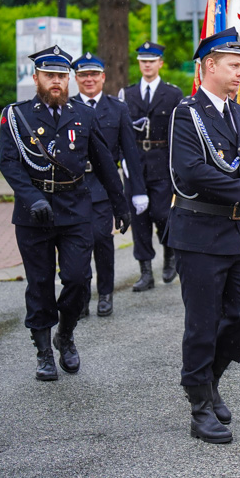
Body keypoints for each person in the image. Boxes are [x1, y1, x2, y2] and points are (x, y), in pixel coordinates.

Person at [0, 46, 131, 380]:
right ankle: (43, 351)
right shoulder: (17, 116)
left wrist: (120, 205)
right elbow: (9, 163)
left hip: (75, 208)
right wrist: (32, 197)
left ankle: (66, 335)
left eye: (61, 76)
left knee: (77, 279)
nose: (56, 82)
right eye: (49, 76)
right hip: (34, 215)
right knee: (40, 283)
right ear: (36, 78)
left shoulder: (83, 115)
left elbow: (104, 163)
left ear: (67, 79)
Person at [165, 28, 240, 444]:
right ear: (209, 66)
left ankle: (210, 378)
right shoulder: (186, 113)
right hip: (201, 232)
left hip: (239, 232)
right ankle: (199, 406)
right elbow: (191, 170)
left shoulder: (238, 113)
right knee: (202, 322)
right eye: (233, 65)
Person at [69, 52, 147, 318]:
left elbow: (130, 153)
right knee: (78, 245)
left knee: (102, 240)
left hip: (103, 187)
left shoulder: (117, 108)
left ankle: (105, 293)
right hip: (74, 188)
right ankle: (80, 296)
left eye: (93, 74)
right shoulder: (67, 108)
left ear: (103, 77)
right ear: (76, 79)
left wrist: (137, 191)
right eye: (83, 75)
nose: (88, 79)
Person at [122, 41, 183, 292]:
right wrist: (123, 159)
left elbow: (179, 132)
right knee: (139, 219)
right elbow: (122, 130)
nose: (147, 64)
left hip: (162, 160)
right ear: (139, 63)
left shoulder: (173, 94)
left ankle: (169, 254)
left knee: (163, 214)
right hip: (136, 161)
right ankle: (145, 271)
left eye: (152, 60)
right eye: (143, 60)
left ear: (160, 63)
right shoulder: (127, 94)